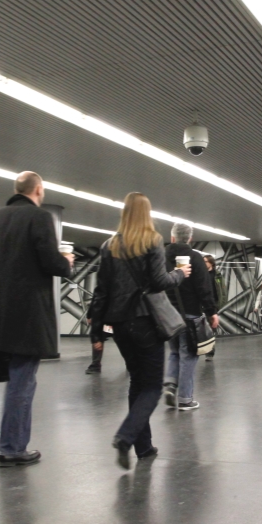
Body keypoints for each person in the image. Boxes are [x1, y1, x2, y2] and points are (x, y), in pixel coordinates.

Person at [0, 171, 75, 467]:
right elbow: (50, 262)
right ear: (39, 190)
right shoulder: (40, 217)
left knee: (16, 381)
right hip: (27, 315)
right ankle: (12, 447)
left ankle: (9, 439)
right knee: (22, 381)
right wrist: (66, 262)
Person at [87, 192, 189, 468]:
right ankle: (126, 436)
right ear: (147, 213)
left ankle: (144, 447)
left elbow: (101, 291)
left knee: (136, 380)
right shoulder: (152, 241)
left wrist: (96, 331)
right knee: (153, 386)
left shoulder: (109, 246)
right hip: (146, 321)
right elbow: (158, 281)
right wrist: (180, 274)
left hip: (119, 324)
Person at [163, 222, 218, 410]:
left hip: (168, 315)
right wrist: (211, 312)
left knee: (175, 352)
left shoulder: (161, 257)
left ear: (172, 238)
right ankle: (185, 399)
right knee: (189, 354)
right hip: (190, 314)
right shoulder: (195, 258)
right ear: (190, 239)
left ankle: (170, 385)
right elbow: (204, 287)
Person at [204, 254, 223, 361]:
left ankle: (210, 352)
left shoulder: (217, 275)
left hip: (213, 304)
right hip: (202, 304)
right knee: (203, 329)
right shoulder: (201, 274)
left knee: (211, 330)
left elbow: (222, 291)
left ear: (211, 263)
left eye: (205, 261)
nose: (203, 263)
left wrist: (220, 304)